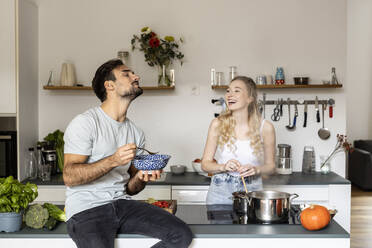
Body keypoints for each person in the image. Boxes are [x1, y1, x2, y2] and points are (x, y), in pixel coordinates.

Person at [63, 59, 193, 248]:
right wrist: (113, 160)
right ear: (109, 85)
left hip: (122, 205)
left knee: (180, 234)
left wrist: (142, 177)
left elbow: (131, 188)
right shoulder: (86, 123)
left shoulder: (135, 133)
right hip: (87, 210)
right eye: (127, 74)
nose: (136, 76)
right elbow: (69, 176)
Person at [201, 76, 276, 204]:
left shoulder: (266, 127)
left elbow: (271, 166)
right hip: (220, 191)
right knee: (216, 224)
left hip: (252, 190)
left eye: (237, 91)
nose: (230, 95)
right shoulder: (217, 124)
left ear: (250, 98)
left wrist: (256, 169)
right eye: (228, 91)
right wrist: (223, 166)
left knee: (250, 224)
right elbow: (205, 165)